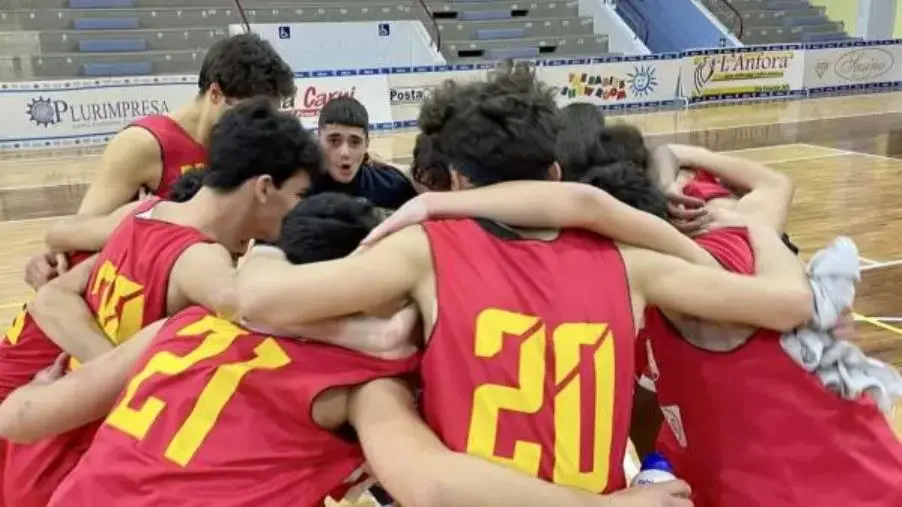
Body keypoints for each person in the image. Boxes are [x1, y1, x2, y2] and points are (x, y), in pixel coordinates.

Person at [227, 68, 815, 505]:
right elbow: (789, 304)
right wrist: (760, 232)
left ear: (458, 178)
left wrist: (269, 245)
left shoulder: (421, 251)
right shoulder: (633, 262)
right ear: (555, 172)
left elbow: (258, 301)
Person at [0, 194, 677, 507]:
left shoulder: (185, 325)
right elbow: (434, 485)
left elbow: (25, 417)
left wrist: (38, 386)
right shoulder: (360, 380)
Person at [1, 98, 321, 507]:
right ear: (262, 188)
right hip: (87, 462)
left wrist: (108, 369)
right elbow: (249, 304)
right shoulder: (202, 260)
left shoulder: (145, 211)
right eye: (298, 195)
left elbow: (52, 296)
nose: (299, 209)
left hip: (45, 434)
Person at [23, 33, 296, 289]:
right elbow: (82, 230)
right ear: (216, 94)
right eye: (254, 112)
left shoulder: (251, 148)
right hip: (135, 297)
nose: (260, 125)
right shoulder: (143, 144)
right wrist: (50, 254)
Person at [309, 97, 418, 208]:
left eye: (355, 142)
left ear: (366, 144)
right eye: (334, 141)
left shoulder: (393, 188)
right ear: (318, 140)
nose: (344, 152)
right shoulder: (299, 188)